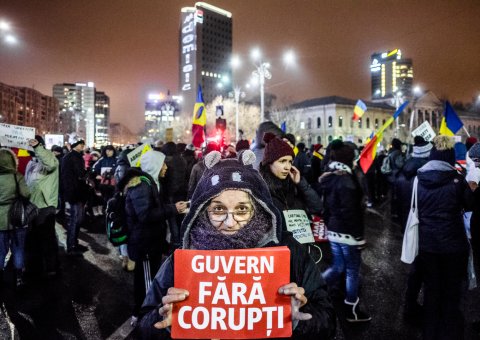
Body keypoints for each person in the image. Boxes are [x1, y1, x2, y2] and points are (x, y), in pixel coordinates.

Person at [136, 150, 336, 339]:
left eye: (241, 209)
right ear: (202, 210)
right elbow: (145, 325)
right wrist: (164, 322)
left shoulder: (288, 250)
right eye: (218, 209)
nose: (230, 222)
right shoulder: (186, 255)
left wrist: (300, 319)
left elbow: (327, 320)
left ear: (258, 208)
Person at [118, 150, 188, 326]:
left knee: (147, 280)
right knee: (147, 284)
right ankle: (143, 317)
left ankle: (142, 314)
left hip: (150, 241)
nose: (165, 167)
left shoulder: (151, 182)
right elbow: (145, 215)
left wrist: (172, 207)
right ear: (155, 165)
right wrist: (173, 209)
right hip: (145, 244)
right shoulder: (142, 185)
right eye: (163, 164)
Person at [416, 135, 475, 340]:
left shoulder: (419, 179)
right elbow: (470, 205)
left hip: (427, 245)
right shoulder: (458, 180)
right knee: (451, 294)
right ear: (449, 157)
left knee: (432, 291)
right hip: (453, 246)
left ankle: (430, 333)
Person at [318, 140, 371, 323]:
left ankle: (312, 286)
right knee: (351, 271)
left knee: (338, 267)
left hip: (333, 230)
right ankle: (352, 309)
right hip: (347, 234)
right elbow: (351, 213)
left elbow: (326, 207)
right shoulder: (346, 180)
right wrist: (358, 236)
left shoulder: (330, 176)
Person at [259, 133, 322, 233]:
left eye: (290, 162)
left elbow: (317, 207)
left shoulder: (293, 185)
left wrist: (301, 184)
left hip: (302, 245)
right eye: (282, 161)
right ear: (269, 163)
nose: (287, 167)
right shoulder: (261, 191)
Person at [24, 136, 60, 279]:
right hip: (32, 206)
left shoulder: (51, 159)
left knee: (47, 239)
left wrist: (38, 146)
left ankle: (51, 267)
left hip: (45, 207)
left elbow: (50, 164)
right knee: (32, 239)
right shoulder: (31, 163)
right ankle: (35, 267)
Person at [0, 148, 31, 287]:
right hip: (17, 217)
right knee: (18, 249)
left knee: (1, 250)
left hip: (0, 221)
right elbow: (26, 194)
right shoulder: (16, 176)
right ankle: (19, 278)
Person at [61, 136, 89, 255]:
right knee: (75, 220)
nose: (82, 145)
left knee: (76, 219)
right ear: (74, 145)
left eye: (82, 143)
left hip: (73, 192)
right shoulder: (74, 157)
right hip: (75, 192)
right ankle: (71, 246)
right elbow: (80, 174)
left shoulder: (71, 156)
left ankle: (74, 243)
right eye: (79, 143)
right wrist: (89, 171)